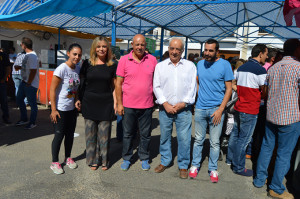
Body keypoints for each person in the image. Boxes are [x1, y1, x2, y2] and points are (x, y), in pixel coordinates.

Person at [253, 39, 300, 199]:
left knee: (267, 148)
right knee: (284, 153)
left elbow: (265, 92)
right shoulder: (299, 68)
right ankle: (276, 188)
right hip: (291, 117)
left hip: (271, 115)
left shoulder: (273, 68)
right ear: (296, 50)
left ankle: (259, 179)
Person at [189, 39, 233, 183]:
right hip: (201, 108)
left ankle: (213, 168)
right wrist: (197, 97)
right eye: (205, 50)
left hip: (216, 110)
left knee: (214, 142)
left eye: (210, 51)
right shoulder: (200, 64)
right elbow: (197, 81)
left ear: (217, 52)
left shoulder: (225, 65)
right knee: (198, 140)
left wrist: (221, 109)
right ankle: (195, 165)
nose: (207, 53)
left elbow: (229, 89)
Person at [153, 38, 197, 179]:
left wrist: (184, 103)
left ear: (182, 50)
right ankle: (165, 161)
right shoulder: (160, 66)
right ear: (169, 49)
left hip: (183, 109)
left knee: (184, 139)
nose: (174, 51)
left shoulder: (190, 66)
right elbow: (156, 86)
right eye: (172, 48)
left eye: (178, 49)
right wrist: (165, 103)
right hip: (165, 109)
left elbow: (192, 87)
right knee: (165, 137)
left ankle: (183, 165)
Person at [116, 34, 157, 171]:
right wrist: (119, 104)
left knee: (145, 134)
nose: (140, 47)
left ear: (146, 46)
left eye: (142, 44)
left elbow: (157, 81)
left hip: (147, 104)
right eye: (137, 44)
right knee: (128, 134)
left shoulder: (152, 59)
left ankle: (144, 157)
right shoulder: (123, 60)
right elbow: (118, 83)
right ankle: (127, 158)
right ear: (132, 45)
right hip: (128, 105)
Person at [76, 37, 117, 171]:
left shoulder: (112, 64)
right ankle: (92, 160)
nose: (101, 49)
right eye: (98, 46)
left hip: (106, 103)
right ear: (94, 48)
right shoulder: (87, 63)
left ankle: (104, 160)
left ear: (108, 48)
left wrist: (116, 103)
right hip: (89, 102)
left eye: (104, 46)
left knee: (104, 135)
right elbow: (80, 83)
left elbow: (115, 86)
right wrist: (78, 99)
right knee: (90, 134)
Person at [226, 44, 268, 176]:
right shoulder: (260, 70)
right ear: (260, 54)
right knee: (243, 140)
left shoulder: (241, 67)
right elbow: (264, 92)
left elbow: (235, 84)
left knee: (235, 135)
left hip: (240, 106)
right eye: (266, 54)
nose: (266, 57)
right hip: (250, 109)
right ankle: (238, 167)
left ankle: (230, 159)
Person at [49, 43, 82, 175]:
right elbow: (52, 89)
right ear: (68, 53)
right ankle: (54, 162)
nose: (77, 57)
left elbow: (75, 88)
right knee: (59, 135)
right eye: (74, 54)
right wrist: (53, 110)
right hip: (60, 108)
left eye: (79, 55)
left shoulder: (77, 69)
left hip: (71, 109)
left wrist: (77, 99)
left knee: (69, 135)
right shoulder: (61, 68)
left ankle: (68, 157)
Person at [15, 37, 39, 129]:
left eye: (21, 44)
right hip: (24, 82)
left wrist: (29, 82)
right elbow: (29, 68)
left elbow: (33, 71)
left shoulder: (32, 56)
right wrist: (20, 67)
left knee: (32, 104)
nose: (21, 45)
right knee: (19, 99)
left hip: (30, 84)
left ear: (24, 45)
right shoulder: (28, 55)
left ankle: (32, 122)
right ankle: (24, 119)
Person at [0, 50, 11, 124]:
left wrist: (4, 79)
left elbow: (8, 68)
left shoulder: (3, 55)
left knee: (3, 101)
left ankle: (6, 117)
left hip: (1, 83)